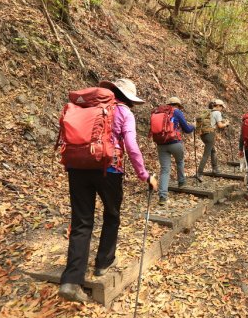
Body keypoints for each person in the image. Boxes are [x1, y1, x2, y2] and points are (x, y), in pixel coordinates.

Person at [59, 78, 158, 303]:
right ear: (129, 98)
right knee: (111, 215)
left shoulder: (85, 107)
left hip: (77, 167)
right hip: (108, 170)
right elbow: (131, 146)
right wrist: (145, 175)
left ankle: (71, 280)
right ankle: (103, 263)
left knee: (82, 222)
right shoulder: (124, 112)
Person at [154, 97, 195, 206]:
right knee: (180, 161)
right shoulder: (177, 112)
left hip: (161, 144)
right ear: (177, 104)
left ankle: (163, 197)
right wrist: (193, 126)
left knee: (165, 170)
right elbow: (187, 129)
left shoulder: (159, 111)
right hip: (175, 143)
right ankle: (181, 183)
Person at [197, 99, 229, 179]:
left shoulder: (208, 112)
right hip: (210, 134)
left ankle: (215, 169)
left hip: (203, 134)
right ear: (218, 106)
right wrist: (226, 123)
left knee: (212, 150)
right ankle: (199, 173)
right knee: (206, 154)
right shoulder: (217, 113)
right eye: (221, 107)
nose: (222, 108)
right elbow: (220, 125)